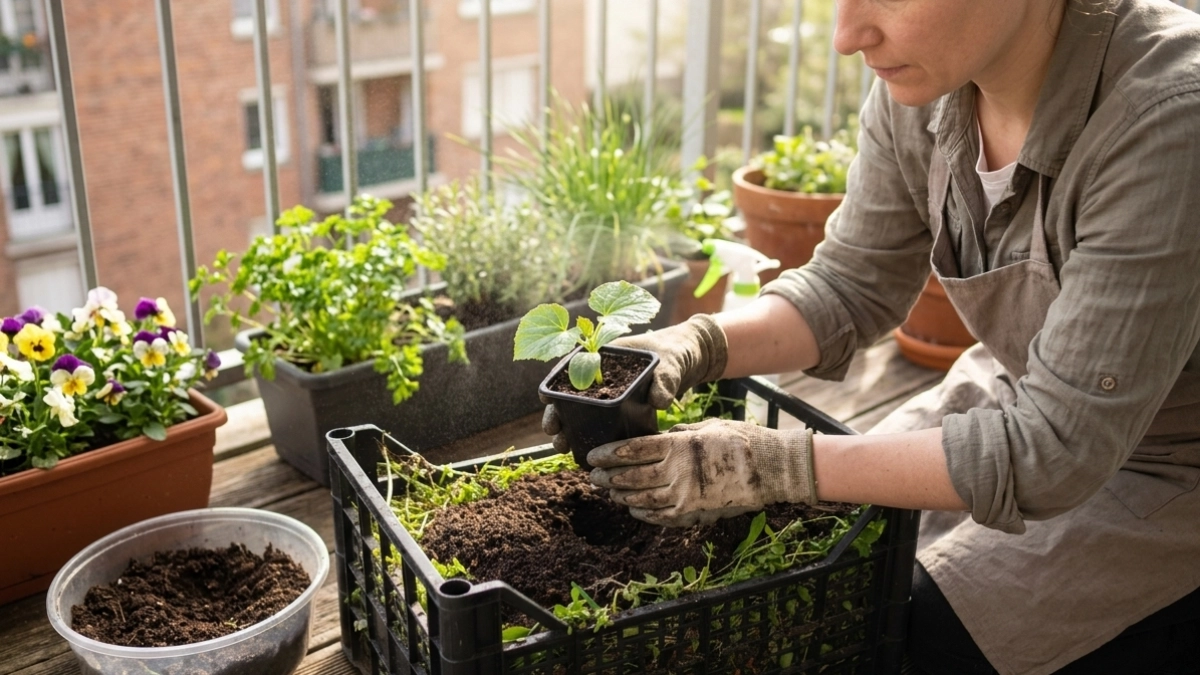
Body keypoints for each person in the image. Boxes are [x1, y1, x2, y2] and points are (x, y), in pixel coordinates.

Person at [540, 0, 1200, 673]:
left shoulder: (1169, 116)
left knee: (915, 625)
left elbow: (1053, 448)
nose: (846, 37)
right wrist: (694, 343)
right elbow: (850, 284)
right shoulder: (932, 80)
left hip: (1176, 469)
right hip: (1026, 392)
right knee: (841, 563)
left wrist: (778, 464)